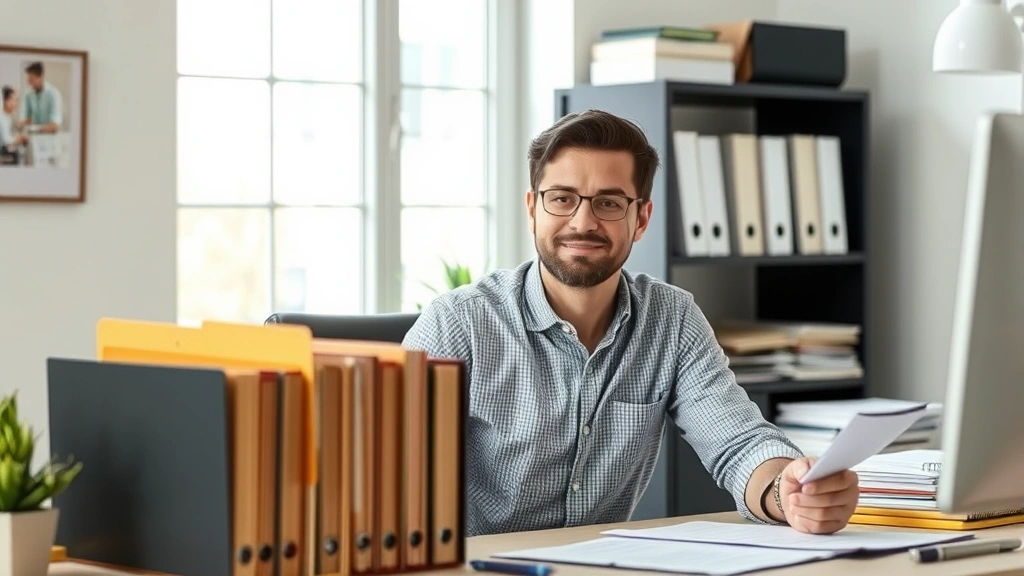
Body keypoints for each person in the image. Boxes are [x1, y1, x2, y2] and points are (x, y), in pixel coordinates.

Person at [402, 109, 860, 537]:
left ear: (641, 218)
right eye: (561, 199)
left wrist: (791, 492)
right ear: (532, 208)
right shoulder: (457, 325)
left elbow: (738, 443)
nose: (583, 222)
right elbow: (386, 476)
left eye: (608, 203)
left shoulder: (672, 319)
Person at [18, 62, 63, 134]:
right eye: (29, 80)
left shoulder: (53, 94)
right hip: (33, 139)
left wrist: (35, 129)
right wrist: (22, 123)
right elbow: (25, 119)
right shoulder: (28, 95)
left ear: (41, 77)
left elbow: (54, 126)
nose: (29, 83)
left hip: (49, 140)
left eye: (32, 80)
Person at [0, 86, 27, 165]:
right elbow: (6, 140)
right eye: (14, 100)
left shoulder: (10, 117)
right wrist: (19, 138)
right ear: (7, 101)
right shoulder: (2, 118)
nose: (16, 103)